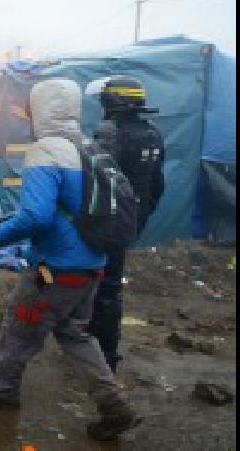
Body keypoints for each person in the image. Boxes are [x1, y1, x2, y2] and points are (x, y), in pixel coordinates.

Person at [0, 78, 140, 442]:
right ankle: (114, 405)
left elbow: (35, 217)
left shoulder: (47, 151)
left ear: (40, 110)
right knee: (75, 334)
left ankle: (3, 389)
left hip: (55, 269)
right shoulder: (88, 148)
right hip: (91, 265)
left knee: (19, 327)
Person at [86, 75, 166, 373]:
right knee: (110, 285)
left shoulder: (109, 132)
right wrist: (138, 218)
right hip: (130, 221)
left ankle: (101, 355)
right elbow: (158, 185)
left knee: (99, 285)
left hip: (107, 223)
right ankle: (105, 351)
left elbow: (99, 184)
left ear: (112, 102)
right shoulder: (153, 133)